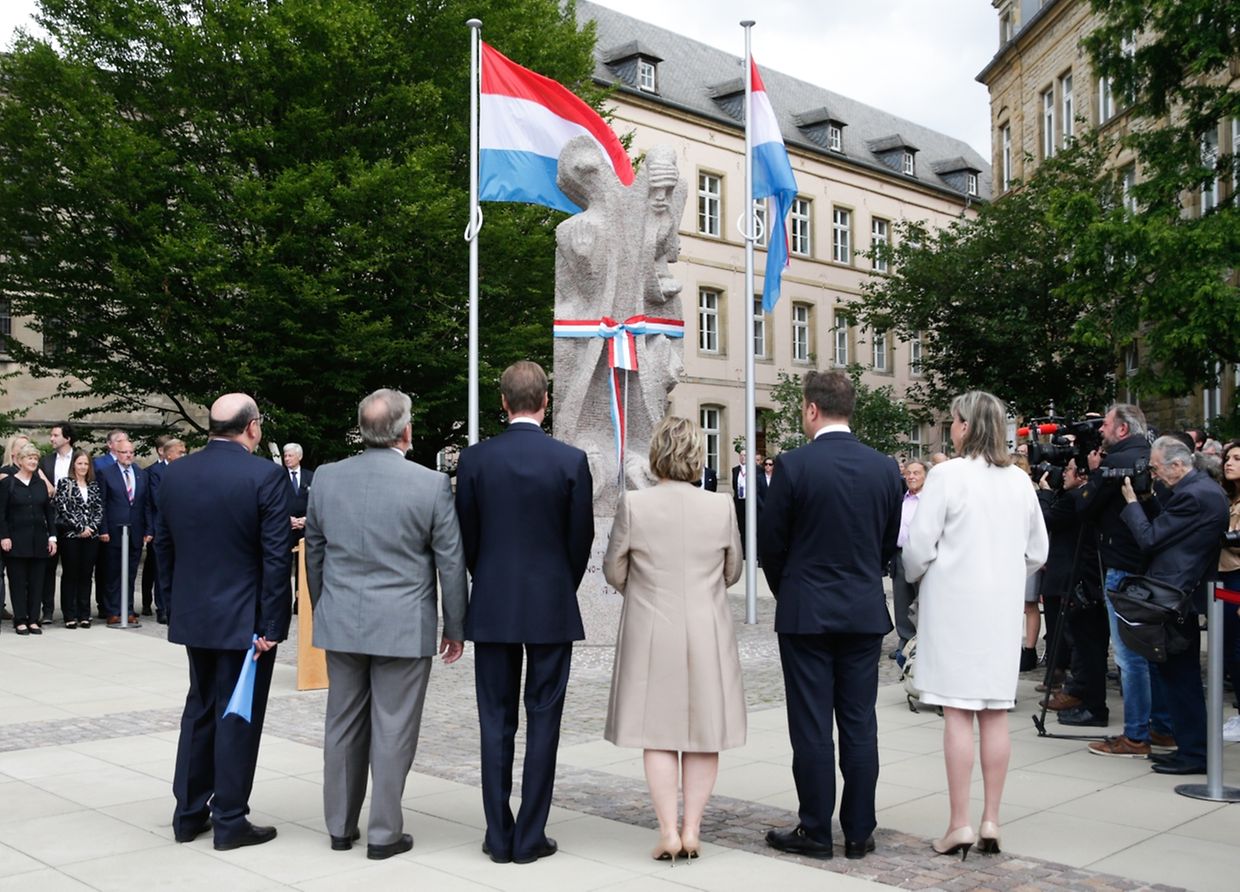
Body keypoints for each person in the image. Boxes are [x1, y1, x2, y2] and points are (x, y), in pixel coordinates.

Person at [305, 389, 468, 860]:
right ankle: (383, 832)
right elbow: (450, 563)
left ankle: (339, 826)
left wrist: (325, 607)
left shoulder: (329, 479)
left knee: (341, 723)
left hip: (343, 620)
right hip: (403, 622)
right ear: (405, 431)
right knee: (394, 727)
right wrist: (454, 626)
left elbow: (314, 552)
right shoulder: (430, 484)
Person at [758, 370, 903, 862]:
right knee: (860, 721)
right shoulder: (885, 468)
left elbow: (771, 545)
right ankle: (859, 830)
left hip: (807, 611)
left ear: (812, 409)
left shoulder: (794, 466)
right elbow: (887, 541)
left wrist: (790, 591)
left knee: (812, 723)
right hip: (862, 609)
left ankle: (816, 828)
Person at [455, 361, 593, 865]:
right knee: (544, 719)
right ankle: (530, 834)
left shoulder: (475, 461)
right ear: (546, 402)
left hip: (493, 600)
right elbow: (580, 540)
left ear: (504, 403)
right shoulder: (570, 460)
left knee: (494, 720)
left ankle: (498, 833)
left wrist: (486, 576)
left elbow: (466, 537)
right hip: (550, 601)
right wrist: (560, 584)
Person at [903, 391, 1047, 860]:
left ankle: (959, 822)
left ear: (964, 426)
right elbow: (1038, 552)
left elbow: (919, 547)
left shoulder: (947, 475)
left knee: (959, 712)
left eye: (954, 422)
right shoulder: (1020, 482)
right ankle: (992, 818)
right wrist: (1004, 573)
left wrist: (927, 572)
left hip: (953, 603)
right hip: (999, 606)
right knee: (995, 711)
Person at [603, 416, 744, 862]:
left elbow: (613, 570)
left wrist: (642, 589)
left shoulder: (635, 506)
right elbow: (733, 570)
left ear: (657, 456)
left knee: (658, 732)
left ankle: (667, 831)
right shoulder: (719, 506)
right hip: (706, 626)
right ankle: (693, 830)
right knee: (704, 732)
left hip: (651, 628)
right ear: (697, 457)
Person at [156, 393, 292, 851]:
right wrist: (273, 625)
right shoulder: (266, 476)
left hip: (196, 612)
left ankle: (188, 813)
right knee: (236, 714)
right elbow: (276, 559)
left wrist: (173, 605)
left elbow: (164, 549)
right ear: (252, 427)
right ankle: (230, 817)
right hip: (245, 619)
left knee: (199, 709)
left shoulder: (177, 474)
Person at [1119, 436, 1228, 775]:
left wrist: (1132, 502)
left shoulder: (1195, 495)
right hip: (1180, 592)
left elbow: (1150, 538)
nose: (1153, 474)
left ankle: (1194, 754)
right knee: (1175, 674)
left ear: (1178, 466)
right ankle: (1189, 747)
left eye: (1156, 468)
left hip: (1175, 595)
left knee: (1181, 678)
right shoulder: (1199, 490)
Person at [1078, 404, 1173, 758]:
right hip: (1150, 566)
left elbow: (1084, 508)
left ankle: (1136, 736)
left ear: (1121, 430)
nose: (1100, 430)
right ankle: (1162, 728)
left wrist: (1092, 475)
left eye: (1105, 424)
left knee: (1130, 656)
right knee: (1151, 652)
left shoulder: (1116, 463)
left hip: (1122, 565)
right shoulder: (1151, 456)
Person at [1037, 459, 1109, 727]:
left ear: (1081, 475)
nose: (1062, 475)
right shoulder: (1076, 496)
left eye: (1067, 470)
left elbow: (1046, 519)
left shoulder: (1077, 499)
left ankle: (1076, 689)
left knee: (1073, 636)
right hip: (1065, 570)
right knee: (1066, 633)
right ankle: (1069, 685)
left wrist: (1044, 494)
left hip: (1070, 573)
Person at [0, 444, 58, 635]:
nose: (33, 461)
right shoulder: (8, 483)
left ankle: (33, 619)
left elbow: (48, 513)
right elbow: (2, 514)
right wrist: (4, 536)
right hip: (16, 540)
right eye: (29, 458)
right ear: (20, 461)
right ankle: (21, 619)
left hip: (39, 540)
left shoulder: (40, 484)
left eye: (35, 458)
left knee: (37, 581)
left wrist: (52, 536)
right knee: (18, 581)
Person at [97, 438, 151, 624]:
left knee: (130, 573)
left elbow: (146, 504)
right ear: (116, 454)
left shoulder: (141, 474)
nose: (128, 455)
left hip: (135, 530)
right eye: (124, 452)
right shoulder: (106, 473)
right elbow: (102, 504)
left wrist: (148, 529)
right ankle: (112, 610)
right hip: (114, 531)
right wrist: (103, 528)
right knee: (113, 573)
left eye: (131, 452)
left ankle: (128, 609)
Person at [54, 450, 104, 628]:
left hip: (91, 536)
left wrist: (91, 528)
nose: (83, 467)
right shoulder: (65, 483)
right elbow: (63, 508)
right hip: (71, 536)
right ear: (73, 464)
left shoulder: (93, 485)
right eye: (79, 463)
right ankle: (69, 614)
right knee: (70, 574)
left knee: (86, 575)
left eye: (86, 464)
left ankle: (84, 613)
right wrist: (80, 527)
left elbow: (99, 509)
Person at [144, 437, 185, 623]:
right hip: (163, 527)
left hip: (182, 528)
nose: (184, 455)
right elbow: (157, 498)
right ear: (168, 453)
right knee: (162, 570)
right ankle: (163, 608)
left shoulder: (186, 471)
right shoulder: (156, 472)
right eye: (180, 452)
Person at [39, 422, 76, 622]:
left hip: (73, 522)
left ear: (67, 438)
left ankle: (71, 611)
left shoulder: (80, 459)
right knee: (48, 568)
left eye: (55, 435)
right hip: (51, 519)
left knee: (71, 568)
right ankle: (47, 611)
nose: (52, 438)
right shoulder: (46, 461)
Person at [891, 459, 926, 663]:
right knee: (902, 602)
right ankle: (905, 643)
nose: (911, 477)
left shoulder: (930, 500)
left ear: (925, 477)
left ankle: (923, 642)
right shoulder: (900, 500)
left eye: (916, 473)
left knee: (922, 601)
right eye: (908, 473)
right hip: (900, 554)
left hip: (922, 556)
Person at [1220, 440, 1240, 743]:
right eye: (1227, 457)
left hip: (1237, 580)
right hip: (1223, 580)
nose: (1229, 462)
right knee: (1228, 647)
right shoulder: (1227, 499)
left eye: (1237, 458)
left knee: (1237, 649)